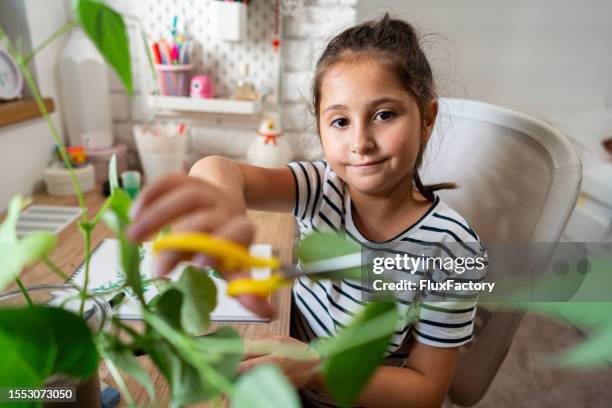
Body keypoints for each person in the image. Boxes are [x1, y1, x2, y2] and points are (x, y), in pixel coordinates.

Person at [128, 14, 486, 408]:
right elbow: (217, 168)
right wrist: (223, 208)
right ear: (320, 129)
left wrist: (316, 368)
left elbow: (426, 391)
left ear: (427, 119)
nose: (360, 141)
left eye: (384, 115)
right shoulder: (320, 187)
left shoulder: (452, 247)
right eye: (339, 121)